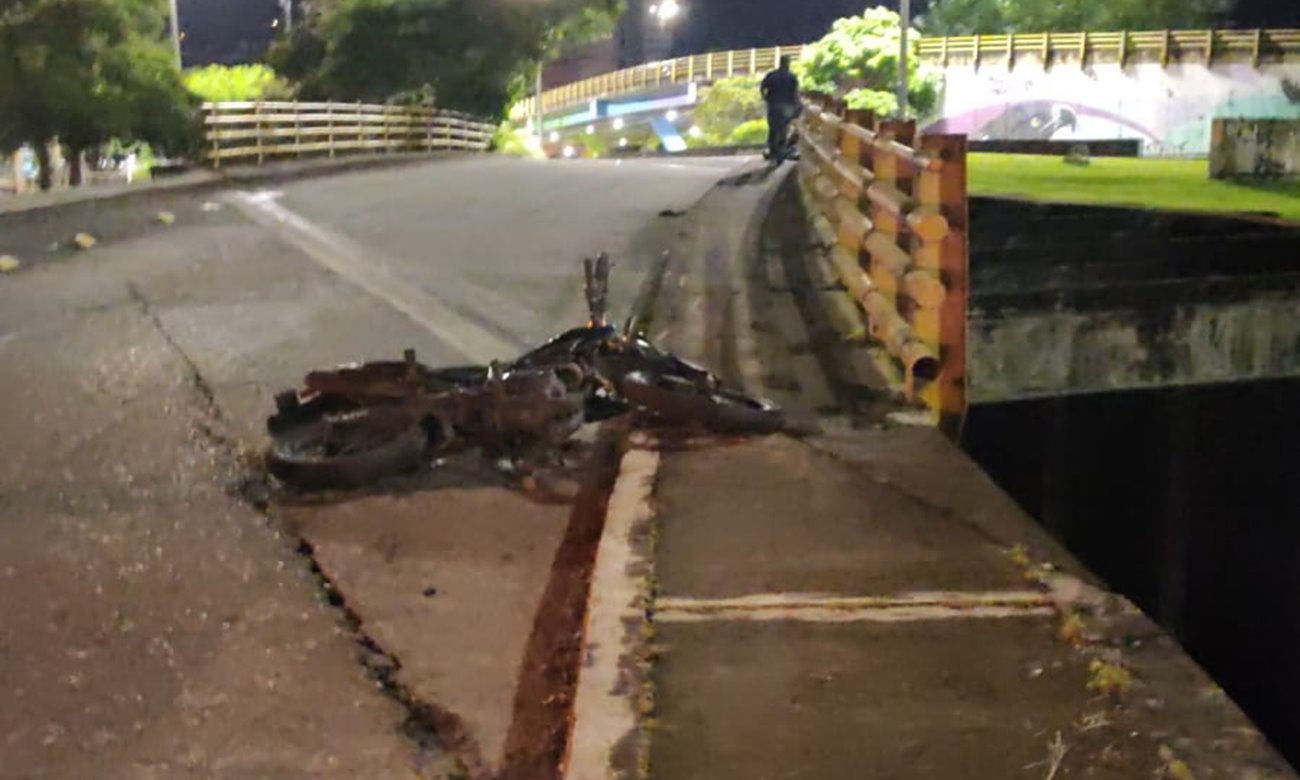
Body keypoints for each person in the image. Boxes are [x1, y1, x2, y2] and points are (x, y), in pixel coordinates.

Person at [760, 55, 800, 160]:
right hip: (786, 107)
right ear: (788, 63)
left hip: (773, 106)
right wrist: (797, 107)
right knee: (783, 129)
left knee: (773, 129)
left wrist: (765, 98)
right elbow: (795, 93)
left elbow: (763, 87)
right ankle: (781, 151)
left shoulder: (772, 75)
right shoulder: (792, 76)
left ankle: (773, 150)